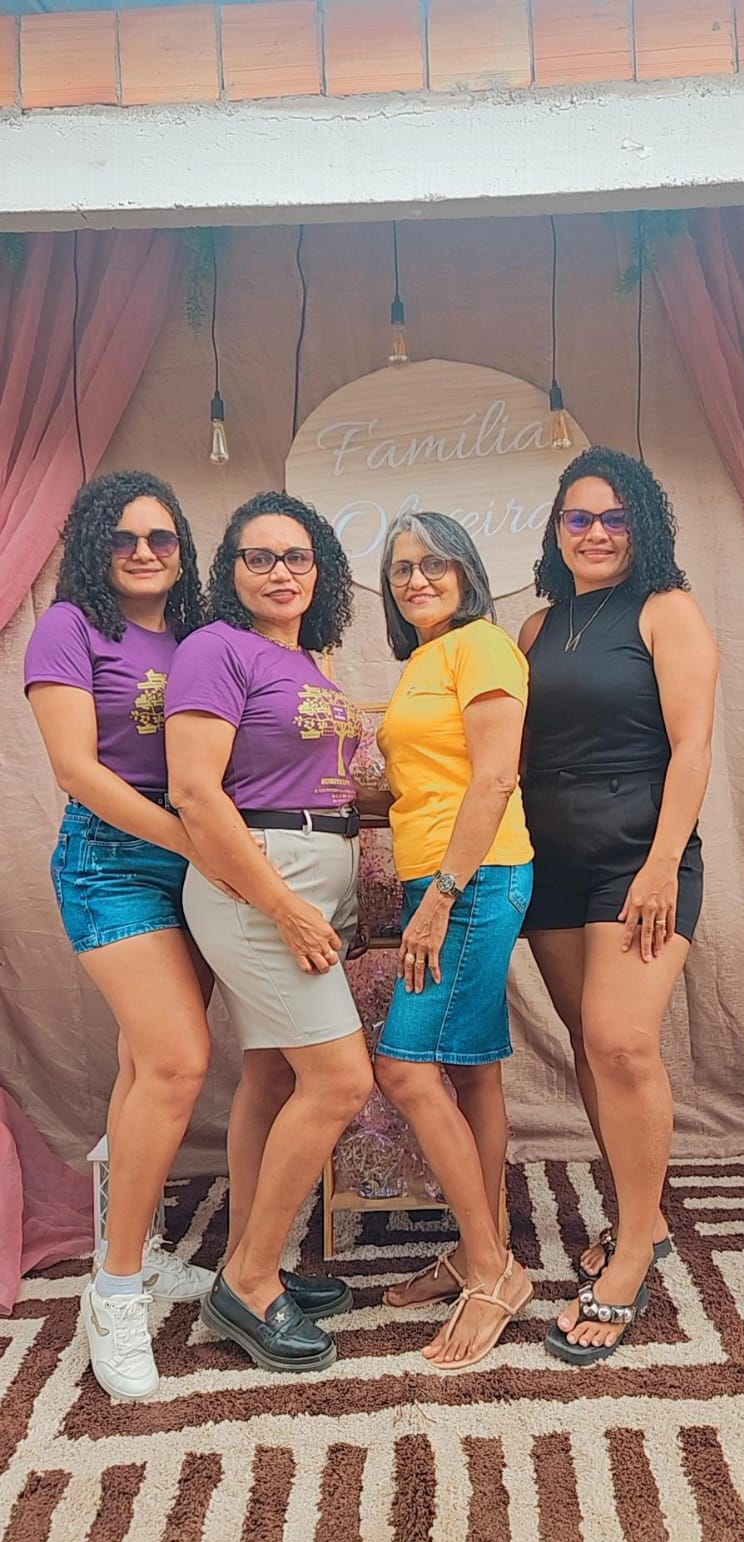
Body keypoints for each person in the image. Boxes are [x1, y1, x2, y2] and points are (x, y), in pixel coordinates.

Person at [164, 490, 373, 1375]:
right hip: (260, 884)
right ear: (232, 570)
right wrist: (284, 905)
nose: (279, 571)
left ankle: (257, 1257)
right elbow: (195, 789)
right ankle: (248, 1284)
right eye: (259, 557)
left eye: (296, 556)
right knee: (339, 1079)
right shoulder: (216, 647)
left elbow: (313, 776)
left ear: (319, 569)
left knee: (272, 1074)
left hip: (312, 874)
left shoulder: (308, 660)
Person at [519, 446, 718, 1365]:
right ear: (557, 529)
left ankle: (633, 1248)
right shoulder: (536, 626)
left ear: (640, 526)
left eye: (613, 517)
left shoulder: (666, 609)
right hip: (550, 863)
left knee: (622, 1041)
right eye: (578, 517)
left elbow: (691, 747)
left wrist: (661, 863)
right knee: (588, 1045)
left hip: (638, 857)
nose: (595, 532)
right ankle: (642, 1217)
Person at [24, 470, 218, 1402]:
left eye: (161, 538)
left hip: (199, 857)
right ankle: (115, 1293)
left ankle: (135, 1247)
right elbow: (76, 768)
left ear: (183, 550)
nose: (143, 552)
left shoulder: (199, 635)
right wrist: (192, 840)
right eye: (124, 538)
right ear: (97, 546)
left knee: (145, 1070)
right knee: (179, 1062)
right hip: (114, 858)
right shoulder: (69, 627)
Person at [373, 511, 534, 1372]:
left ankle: (492, 1268)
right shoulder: (425, 658)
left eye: (433, 562)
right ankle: (480, 1247)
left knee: (404, 1068)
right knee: (472, 1070)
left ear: (467, 571)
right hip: (440, 873)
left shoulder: (482, 646)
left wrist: (439, 896)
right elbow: (427, 779)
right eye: (401, 567)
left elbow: (497, 775)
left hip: (468, 878)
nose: (416, 578)